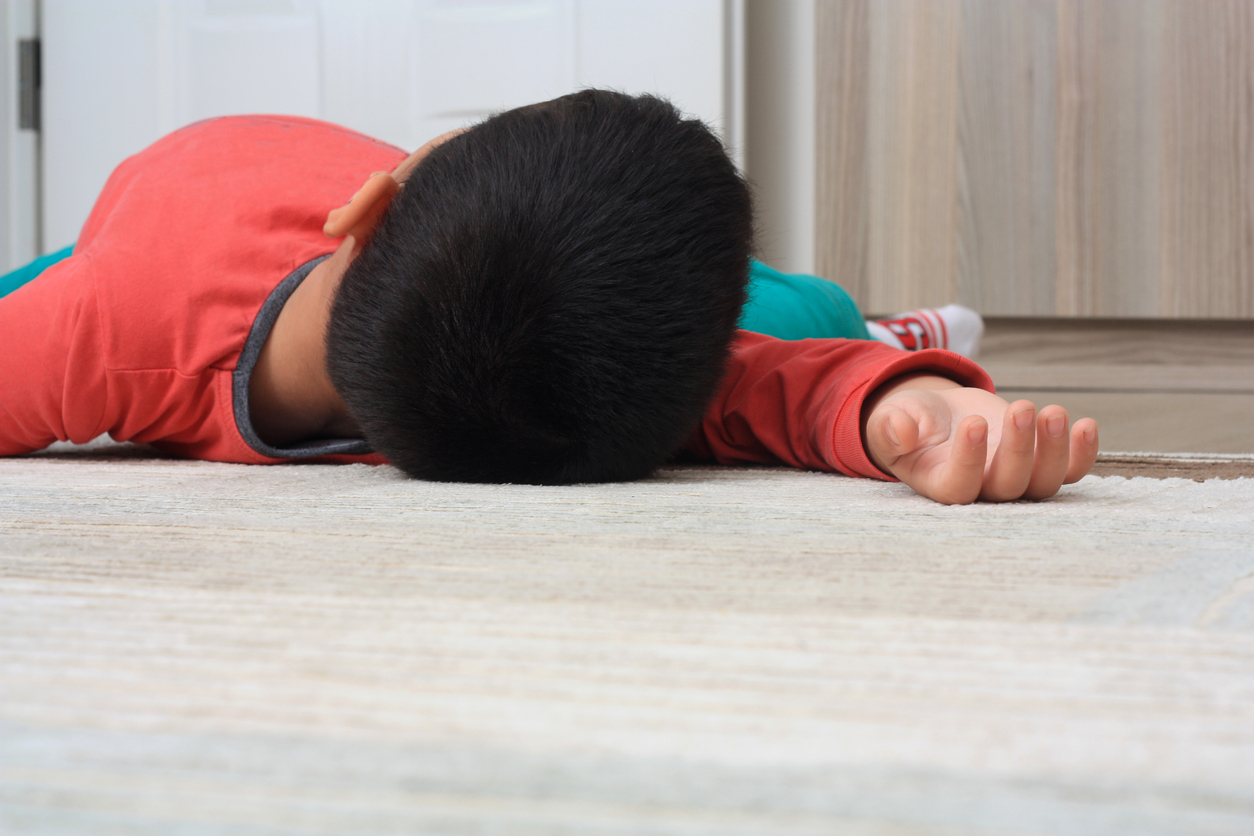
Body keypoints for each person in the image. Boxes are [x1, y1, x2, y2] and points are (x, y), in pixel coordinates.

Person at [0, 90, 1097, 504]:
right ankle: (864, 318)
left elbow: (776, 384)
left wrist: (906, 408)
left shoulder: (505, 346)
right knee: (790, 318)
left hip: (458, 242)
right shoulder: (104, 322)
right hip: (162, 205)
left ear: (373, 205)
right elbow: (764, 388)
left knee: (791, 315)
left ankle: (870, 324)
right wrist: (889, 412)